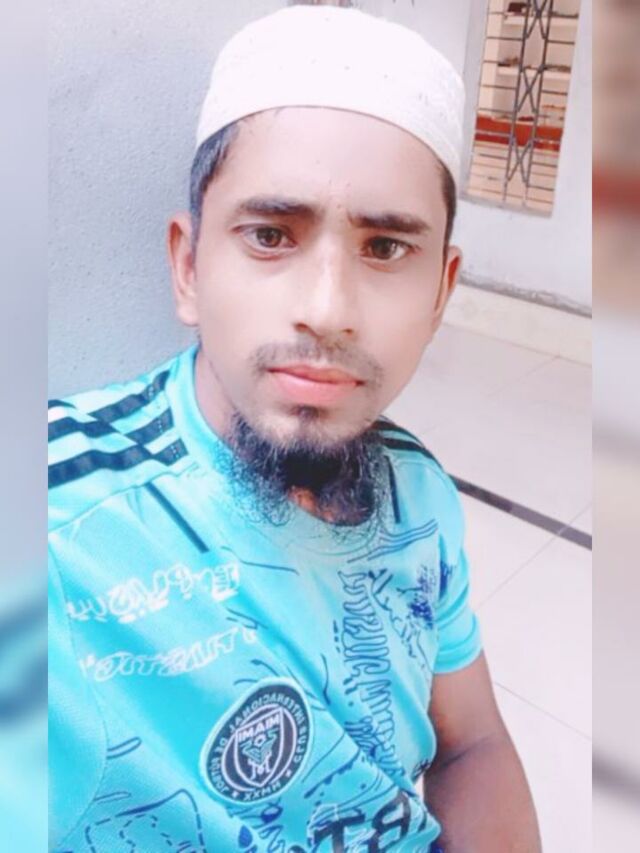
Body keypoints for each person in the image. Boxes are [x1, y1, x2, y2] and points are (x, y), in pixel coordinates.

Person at [48, 5, 541, 851]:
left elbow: (474, 742)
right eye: (271, 235)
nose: (327, 308)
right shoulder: (60, 511)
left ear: (441, 291)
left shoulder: (418, 489)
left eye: (385, 248)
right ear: (188, 266)